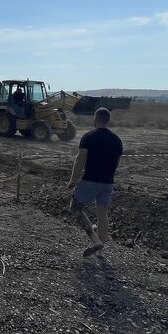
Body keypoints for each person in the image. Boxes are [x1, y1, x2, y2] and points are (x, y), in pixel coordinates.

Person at [66, 107, 123, 257]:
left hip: (90, 180)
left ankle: (95, 240)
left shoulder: (88, 137)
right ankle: (100, 251)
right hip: (108, 182)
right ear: (108, 120)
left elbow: (80, 159)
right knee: (102, 214)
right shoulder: (117, 140)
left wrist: (73, 178)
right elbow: (117, 163)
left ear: (95, 119)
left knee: (75, 209)